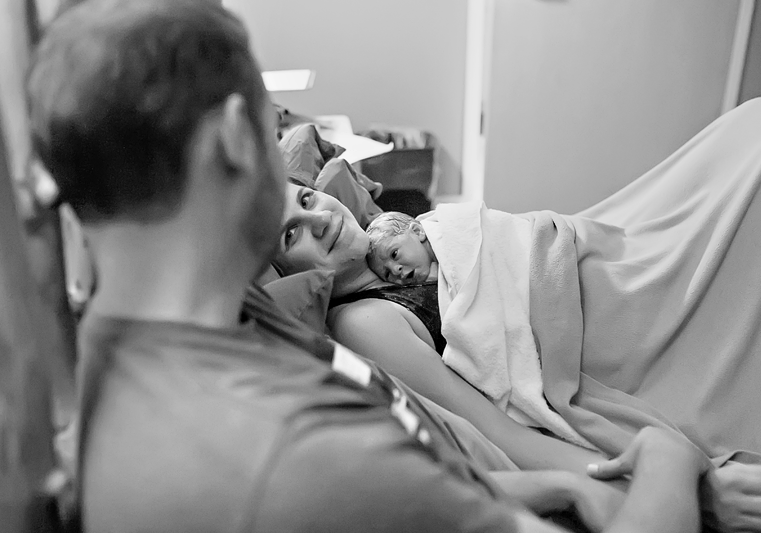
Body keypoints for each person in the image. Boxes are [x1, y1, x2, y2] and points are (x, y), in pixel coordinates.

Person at [26, 1, 720, 532]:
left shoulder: (198, 324)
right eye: (274, 129)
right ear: (237, 138)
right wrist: (669, 457)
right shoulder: (297, 456)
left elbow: (428, 468)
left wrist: (560, 484)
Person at [274, 98, 761, 531]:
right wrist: (701, 486)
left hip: (590, 252)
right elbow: (504, 436)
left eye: (305, 198)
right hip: (598, 322)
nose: (316, 219)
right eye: (289, 233)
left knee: (759, 132)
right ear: (279, 267)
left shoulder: (396, 232)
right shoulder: (363, 322)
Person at [366, 210, 438, 285]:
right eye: (387, 274)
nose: (395, 270)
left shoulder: (445, 231)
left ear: (417, 231)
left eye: (394, 254)